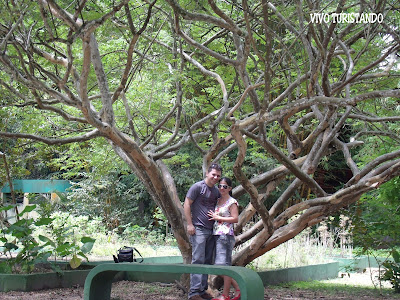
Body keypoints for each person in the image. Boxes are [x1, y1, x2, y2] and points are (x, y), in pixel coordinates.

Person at [184, 163, 223, 300]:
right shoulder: (197, 187)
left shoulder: (216, 191)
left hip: (212, 230)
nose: (215, 177)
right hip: (198, 228)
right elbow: (187, 204)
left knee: (207, 260)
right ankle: (193, 293)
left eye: (218, 176)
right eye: (213, 174)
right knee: (198, 259)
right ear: (207, 173)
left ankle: (202, 290)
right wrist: (189, 224)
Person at [208, 177, 240, 300]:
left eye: (225, 186)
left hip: (225, 235)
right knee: (218, 266)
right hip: (216, 235)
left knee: (223, 266)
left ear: (230, 188)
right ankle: (238, 288)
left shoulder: (232, 202)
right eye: (220, 186)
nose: (221, 188)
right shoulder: (217, 200)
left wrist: (218, 217)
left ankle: (225, 295)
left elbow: (235, 219)